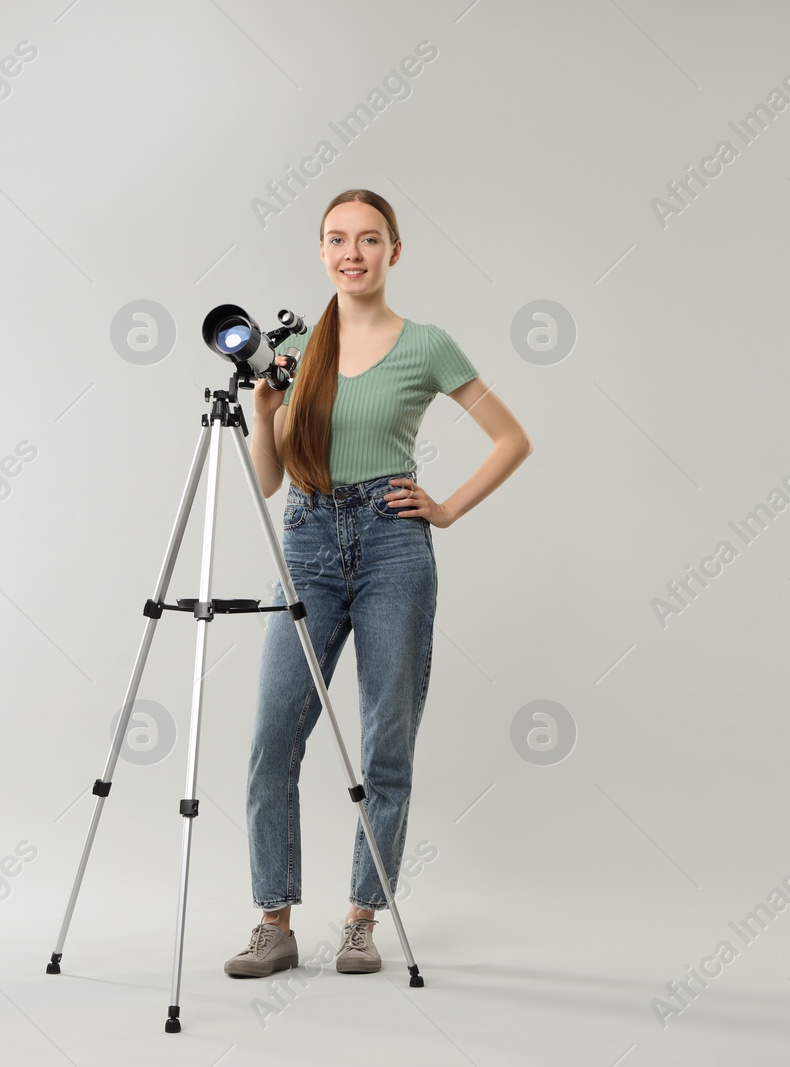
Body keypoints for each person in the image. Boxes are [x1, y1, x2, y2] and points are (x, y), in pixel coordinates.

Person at [223, 189, 532, 979]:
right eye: (336, 239)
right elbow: (266, 481)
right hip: (309, 541)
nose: (351, 252)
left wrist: (448, 508)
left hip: (396, 547)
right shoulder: (297, 354)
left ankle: (361, 919)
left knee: (385, 742)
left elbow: (511, 437)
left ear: (395, 251)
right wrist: (264, 411)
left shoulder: (425, 344)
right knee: (271, 741)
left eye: (368, 239)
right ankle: (274, 921)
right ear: (320, 252)